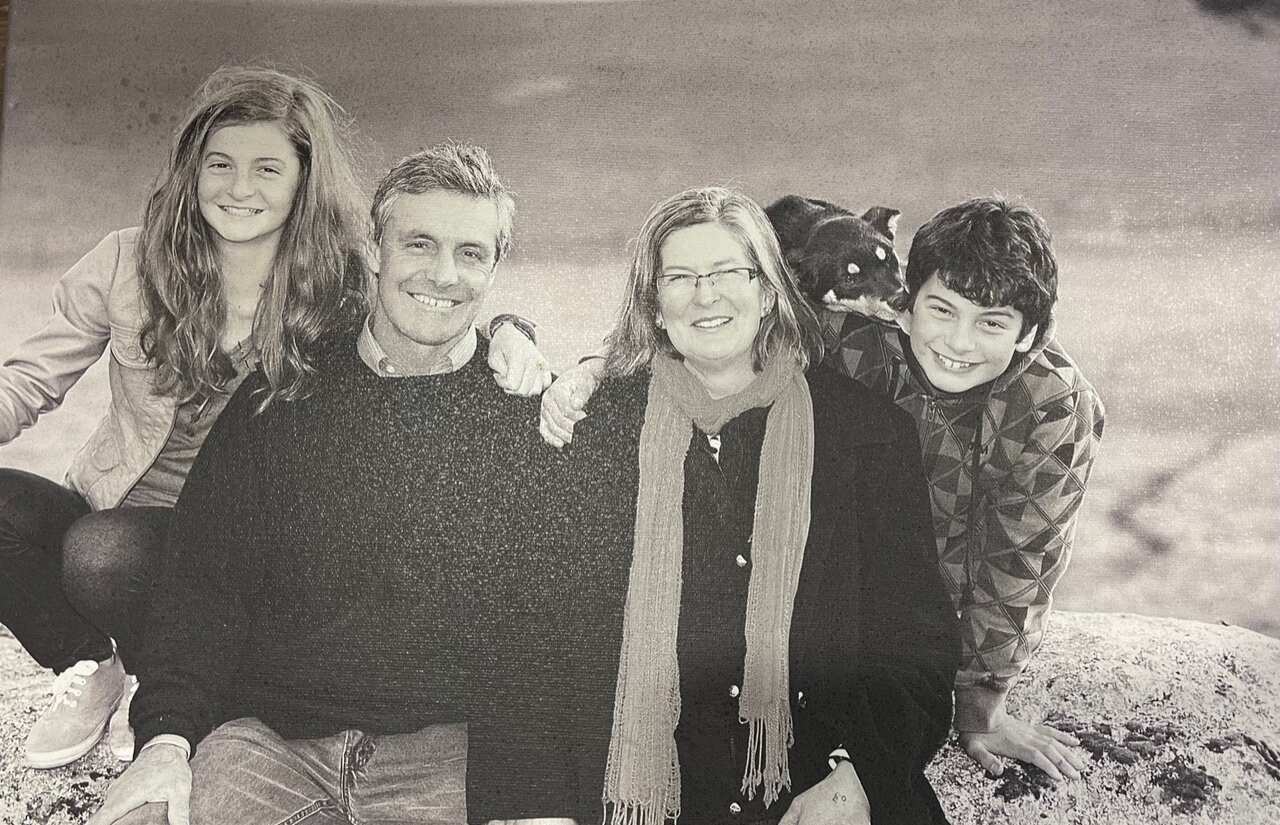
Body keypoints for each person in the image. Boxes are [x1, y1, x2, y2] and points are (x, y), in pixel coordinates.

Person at [0, 67, 547, 771]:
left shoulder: (337, 277)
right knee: (48, 523)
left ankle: (199, 702)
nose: (239, 188)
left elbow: (433, 306)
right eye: (219, 165)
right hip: (123, 500)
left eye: (267, 168)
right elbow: (27, 381)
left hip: (241, 533)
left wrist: (512, 329)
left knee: (101, 553)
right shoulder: (126, 261)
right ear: (190, 171)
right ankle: (92, 663)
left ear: (303, 179)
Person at [88, 142, 603, 825]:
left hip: (448, 759)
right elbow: (204, 588)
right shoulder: (283, 397)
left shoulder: (526, 416)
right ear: (376, 247)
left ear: (497, 266)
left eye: (471, 253)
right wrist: (166, 740)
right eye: (419, 243)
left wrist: (537, 798)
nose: (443, 274)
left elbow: (546, 634)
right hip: (272, 743)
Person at [543, 196, 1105, 784]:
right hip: (840, 590)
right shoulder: (854, 336)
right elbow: (712, 327)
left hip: (933, 612)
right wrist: (593, 368)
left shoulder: (1052, 406)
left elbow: (1021, 561)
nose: (958, 343)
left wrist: (981, 701)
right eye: (941, 310)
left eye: (991, 323)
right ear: (907, 299)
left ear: (1030, 332)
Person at [548, 187, 959, 824]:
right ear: (653, 304)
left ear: (768, 291)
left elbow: (916, 644)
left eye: (728, 274)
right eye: (679, 277)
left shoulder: (865, 433)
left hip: (824, 795)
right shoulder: (597, 435)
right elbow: (536, 640)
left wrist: (859, 779)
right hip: (644, 803)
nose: (705, 296)